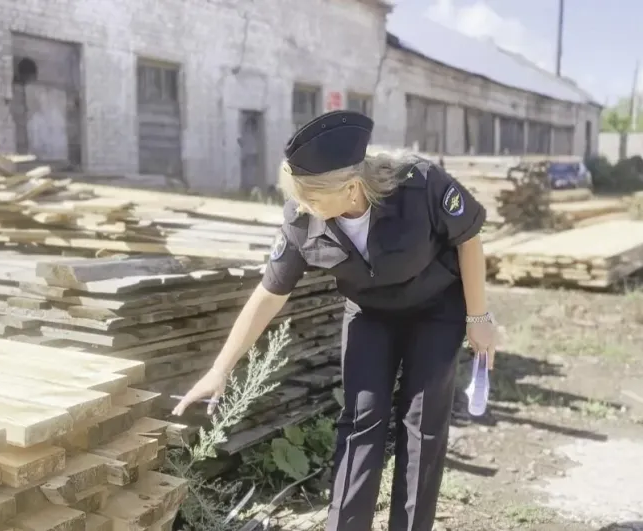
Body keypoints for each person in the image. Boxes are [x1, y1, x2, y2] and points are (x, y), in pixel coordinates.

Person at [172, 110, 499, 531]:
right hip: (370, 314)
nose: (302, 207)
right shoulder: (302, 221)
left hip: (436, 310)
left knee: (422, 423)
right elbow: (269, 294)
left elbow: (469, 240)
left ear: (351, 188)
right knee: (362, 418)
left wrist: (478, 316)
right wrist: (220, 369)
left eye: (311, 198)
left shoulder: (420, 185)